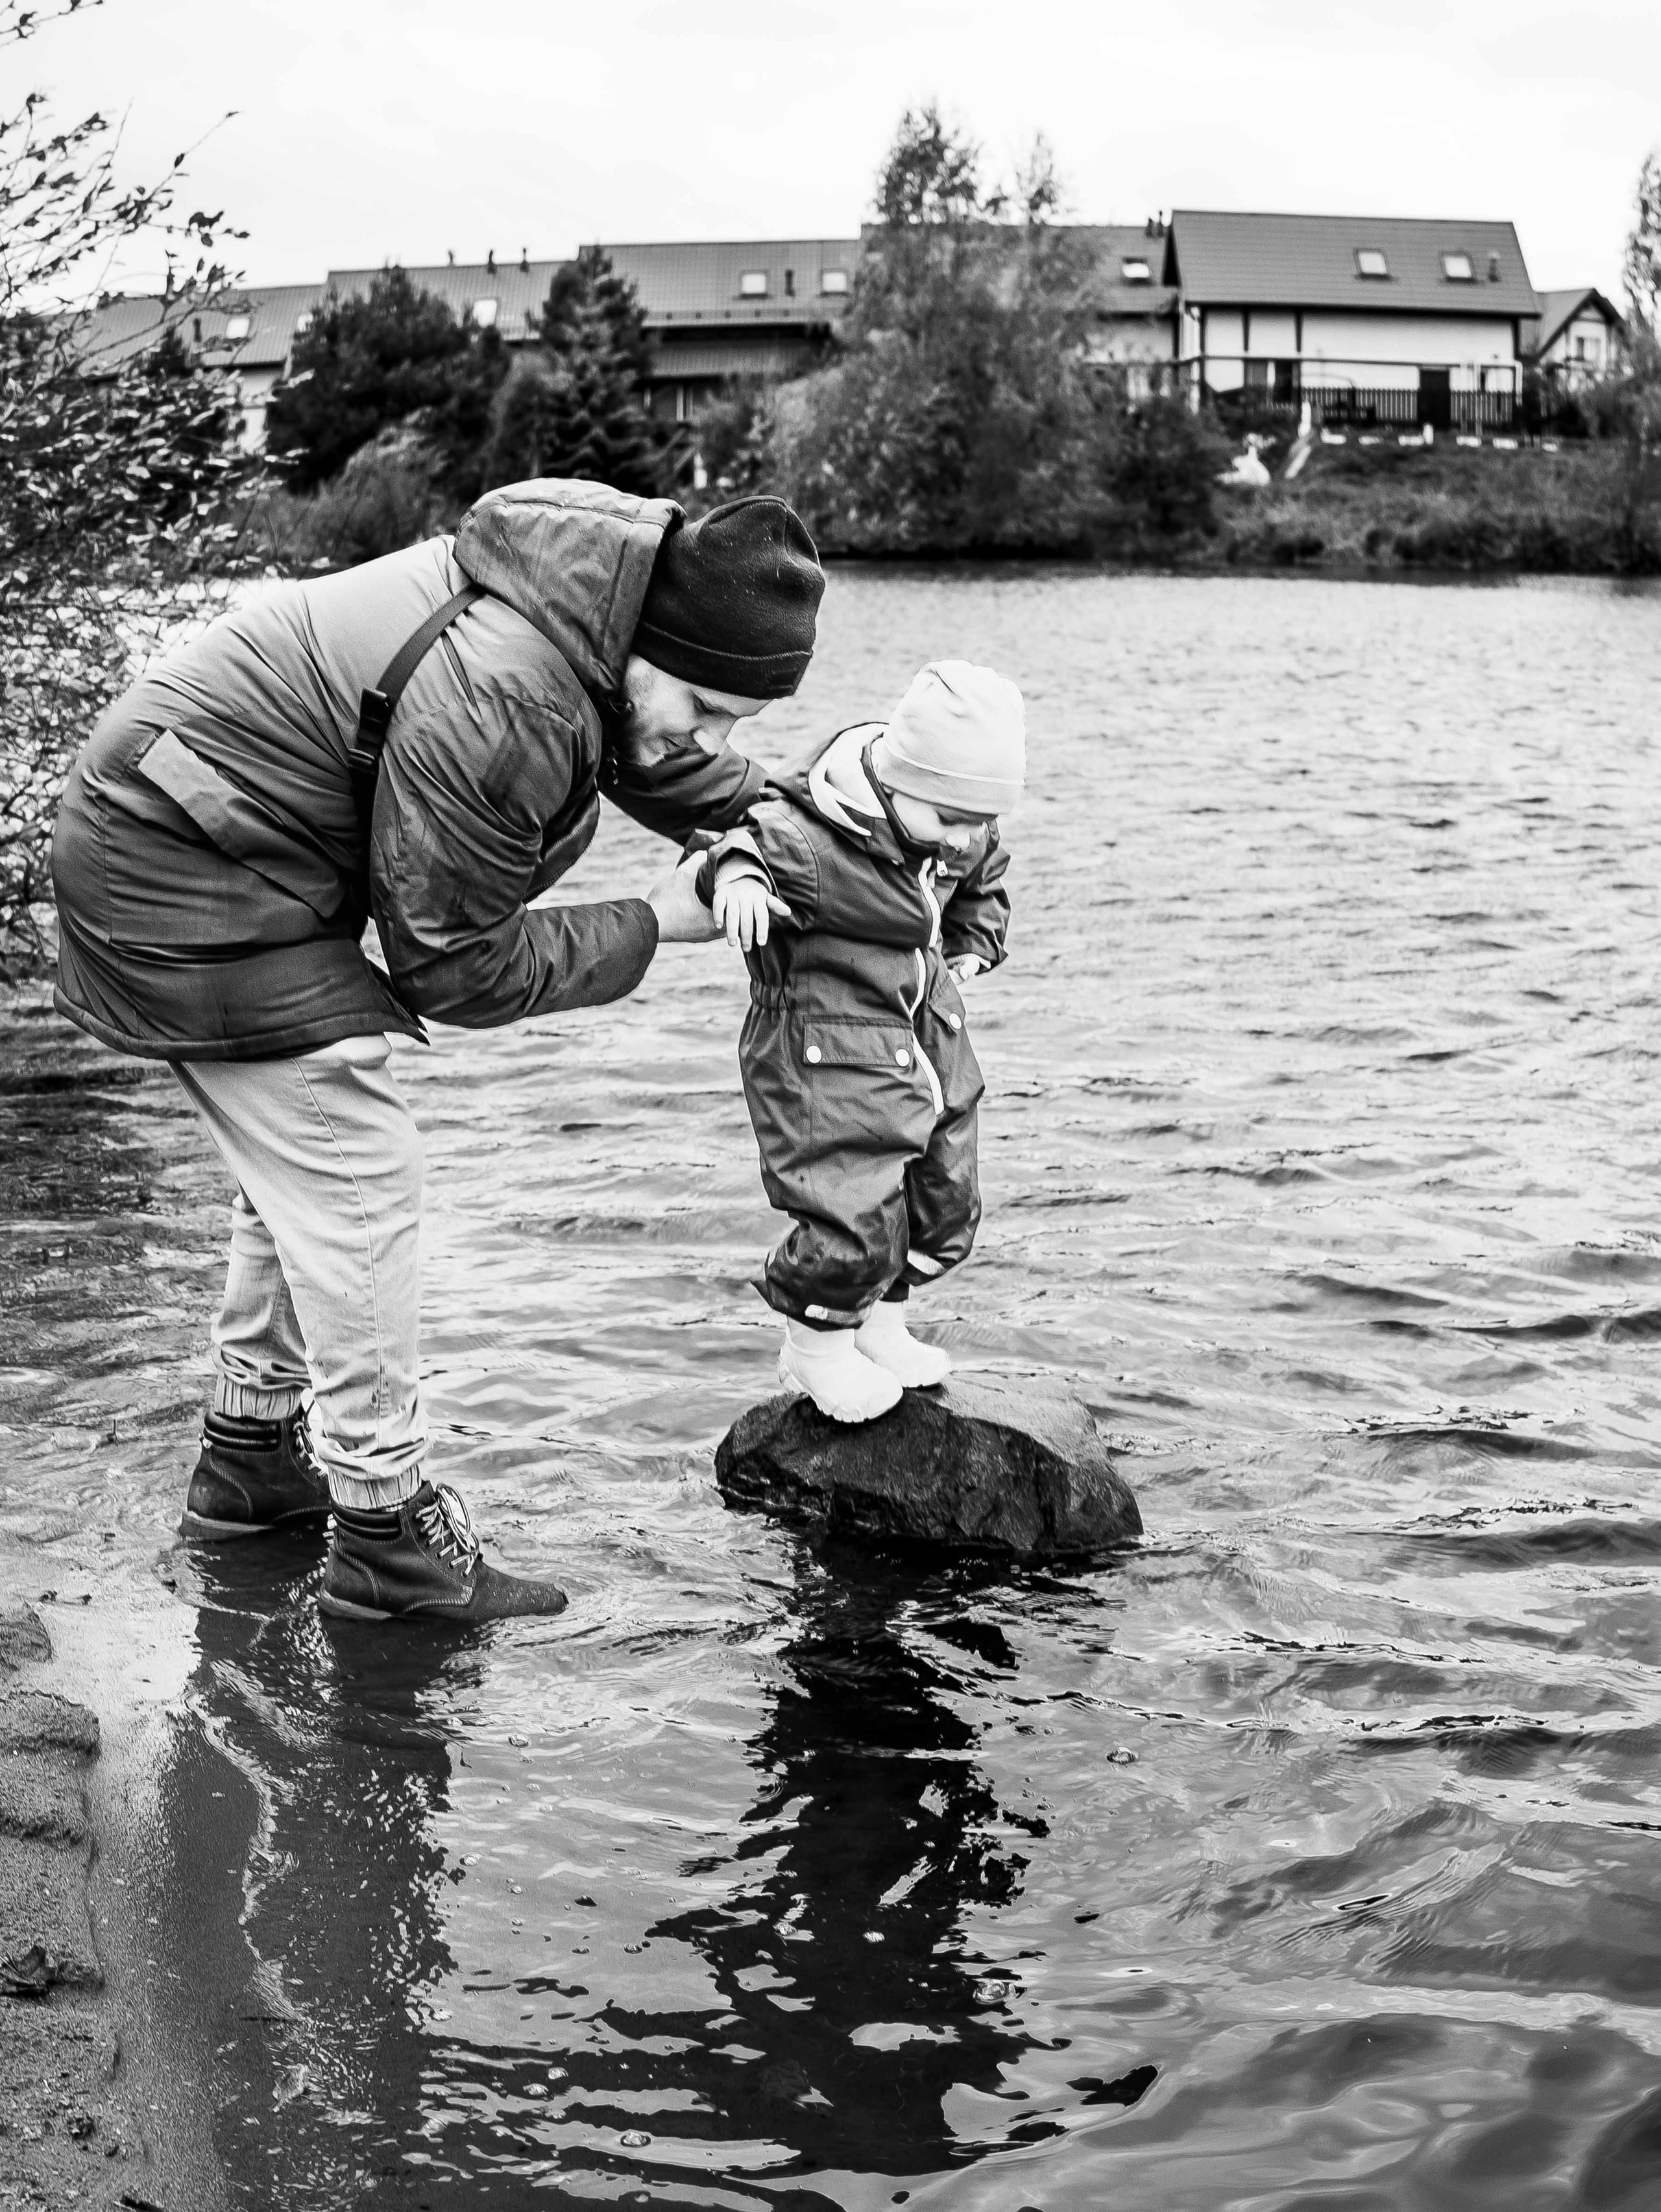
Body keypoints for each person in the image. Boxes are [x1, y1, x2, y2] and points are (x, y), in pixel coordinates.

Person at [50, 479, 819, 1620]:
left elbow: (654, 751)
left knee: (302, 1160)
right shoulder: (516, 690)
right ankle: (384, 1533)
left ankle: (254, 1459)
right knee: (355, 1167)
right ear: (652, 645)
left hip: (208, 834)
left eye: (734, 727)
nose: (706, 739)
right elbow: (454, 966)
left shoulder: (588, 607)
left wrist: (815, 824)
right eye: (707, 706)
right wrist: (659, 920)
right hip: (177, 864)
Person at [697, 660, 1024, 1423]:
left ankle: (880, 1321)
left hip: (923, 1026)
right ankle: (815, 1348)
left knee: (943, 1194)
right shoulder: (814, 835)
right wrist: (739, 883)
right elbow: (739, 843)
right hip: (825, 1042)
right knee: (851, 1205)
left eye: (975, 820)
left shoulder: (955, 818)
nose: (963, 839)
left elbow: (984, 871)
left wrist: (975, 936)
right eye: (949, 820)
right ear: (894, 781)